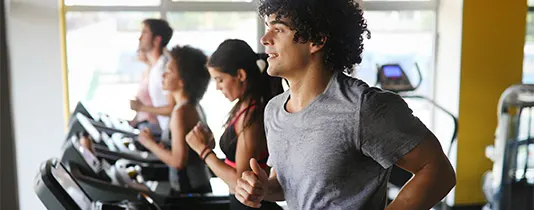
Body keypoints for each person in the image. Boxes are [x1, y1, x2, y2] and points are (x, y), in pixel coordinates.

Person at [234, 0, 457, 209]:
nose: (265, 39)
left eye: (278, 29)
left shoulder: (364, 107)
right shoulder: (274, 110)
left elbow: (438, 171)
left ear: (317, 40)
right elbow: (288, 186)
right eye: (266, 27)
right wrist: (262, 188)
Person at [185, 39, 283, 210]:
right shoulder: (243, 108)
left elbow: (241, 182)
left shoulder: (251, 116)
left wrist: (203, 151)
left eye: (220, 80)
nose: (217, 87)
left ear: (240, 75)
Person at [138, 44, 213, 193]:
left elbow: (179, 161)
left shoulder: (181, 112)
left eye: (169, 70)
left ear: (182, 81)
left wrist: (149, 143)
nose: (163, 75)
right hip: (199, 184)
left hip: (189, 190)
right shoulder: (194, 106)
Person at [130, 19, 175, 137]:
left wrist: (142, 108)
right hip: (166, 130)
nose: (140, 38)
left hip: (170, 132)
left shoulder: (163, 68)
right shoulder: (155, 67)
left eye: (145, 33)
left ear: (157, 40)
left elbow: (173, 108)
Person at [129, 49, 159, 130]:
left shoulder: (157, 73)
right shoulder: (146, 71)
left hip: (151, 123)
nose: (137, 52)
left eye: (140, 50)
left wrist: (140, 107)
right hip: (141, 121)